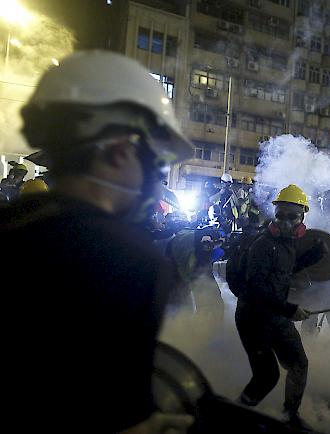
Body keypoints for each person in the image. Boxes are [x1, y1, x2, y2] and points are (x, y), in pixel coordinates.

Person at [0, 51, 197, 433]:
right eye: (153, 163)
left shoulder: (10, 226)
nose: (153, 179)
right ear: (120, 151)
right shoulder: (131, 261)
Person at [235, 184, 325, 427]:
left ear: (302, 217)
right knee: (267, 376)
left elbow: (283, 271)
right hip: (253, 318)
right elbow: (255, 289)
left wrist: (310, 259)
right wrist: (290, 309)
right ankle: (234, 419)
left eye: (291, 216)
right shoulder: (263, 245)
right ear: (274, 215)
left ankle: (289, 417)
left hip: (275, 315)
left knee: (299, 364)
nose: (285, 221)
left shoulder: (287, 244)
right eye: (280, 215)